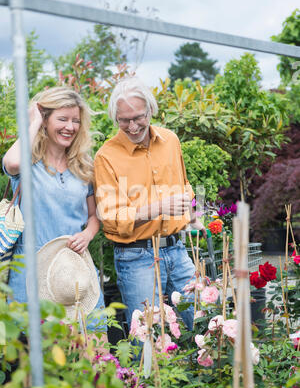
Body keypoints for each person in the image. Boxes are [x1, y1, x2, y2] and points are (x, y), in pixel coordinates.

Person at [94, 76, 206, 333]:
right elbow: (111, 218)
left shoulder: (170, 141)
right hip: (136, 257)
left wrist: (192, 216)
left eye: (138, 117)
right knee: (147, 338)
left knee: (206, 325)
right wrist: (159, 207)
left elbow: (184, 185)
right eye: (124, 120)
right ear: (115, 118)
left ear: (151, 111)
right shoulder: (106, 157)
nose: (132, 126)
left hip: (177, 250)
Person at [3, 86, 106, 332]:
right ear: (46, 121)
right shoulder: (29, 163)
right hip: (30, 272)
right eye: (62, 119)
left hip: (73, 270)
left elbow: (94, 216)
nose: (69, 127)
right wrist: (34, 120)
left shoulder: (84, 167)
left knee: (94, 353)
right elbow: (12, 162)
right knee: (35, 362)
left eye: (75, 121)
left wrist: (87, 234)